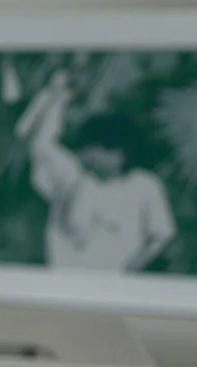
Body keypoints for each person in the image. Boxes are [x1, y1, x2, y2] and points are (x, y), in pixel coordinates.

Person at [18, 70, 177, 272]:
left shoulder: (145, 185)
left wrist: (129, 272)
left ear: (120, 153)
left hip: (116, 290)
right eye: (87, 149)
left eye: (99, 150)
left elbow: (162, 235)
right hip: (65, 284)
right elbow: (40, 145)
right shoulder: (70, 177)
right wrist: (57, 98)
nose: (90, 155)